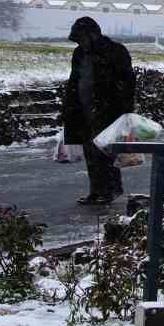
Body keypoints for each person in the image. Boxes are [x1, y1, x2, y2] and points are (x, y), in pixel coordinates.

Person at [61, 16, 136, 205]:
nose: (81, 43)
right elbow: (74, 80)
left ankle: (111, 190)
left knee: (105, 152)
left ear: (92, 35)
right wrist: (69, 106)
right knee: (90, 152)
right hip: (85, 109)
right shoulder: (80, 53)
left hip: (109, 111)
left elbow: (127, 81)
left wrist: (125, 109)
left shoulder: (115, 51)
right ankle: (96, 191)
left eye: (82, 38)